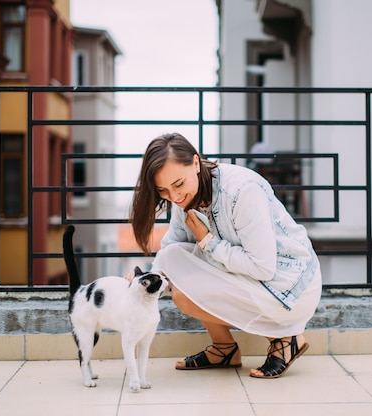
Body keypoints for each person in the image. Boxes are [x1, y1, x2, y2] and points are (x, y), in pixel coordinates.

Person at [130, 132, 322, 379]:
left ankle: (286, 339)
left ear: (196, 163)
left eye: (178, 185)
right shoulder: (185, 199)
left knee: (184, 279)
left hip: (290, 288)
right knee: (177, 275)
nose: (175, 197)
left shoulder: (242, 191)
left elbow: (263, 267)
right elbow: (171, 253)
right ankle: (225, 349)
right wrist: (141, 281)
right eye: (163, 191)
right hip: (257, 281)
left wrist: (208, 242)